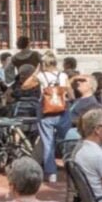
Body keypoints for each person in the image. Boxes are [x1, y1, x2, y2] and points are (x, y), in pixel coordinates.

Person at [33, 52, 70, 184]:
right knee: (66, 141)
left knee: (48, 142)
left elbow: (25, 85)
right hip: (62, 111)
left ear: (43, 64)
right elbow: (70, 94)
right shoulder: (64, 75)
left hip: (46, 111)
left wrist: (36, 71)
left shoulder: (41, 76)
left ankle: (51, 173)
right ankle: (71, 169)